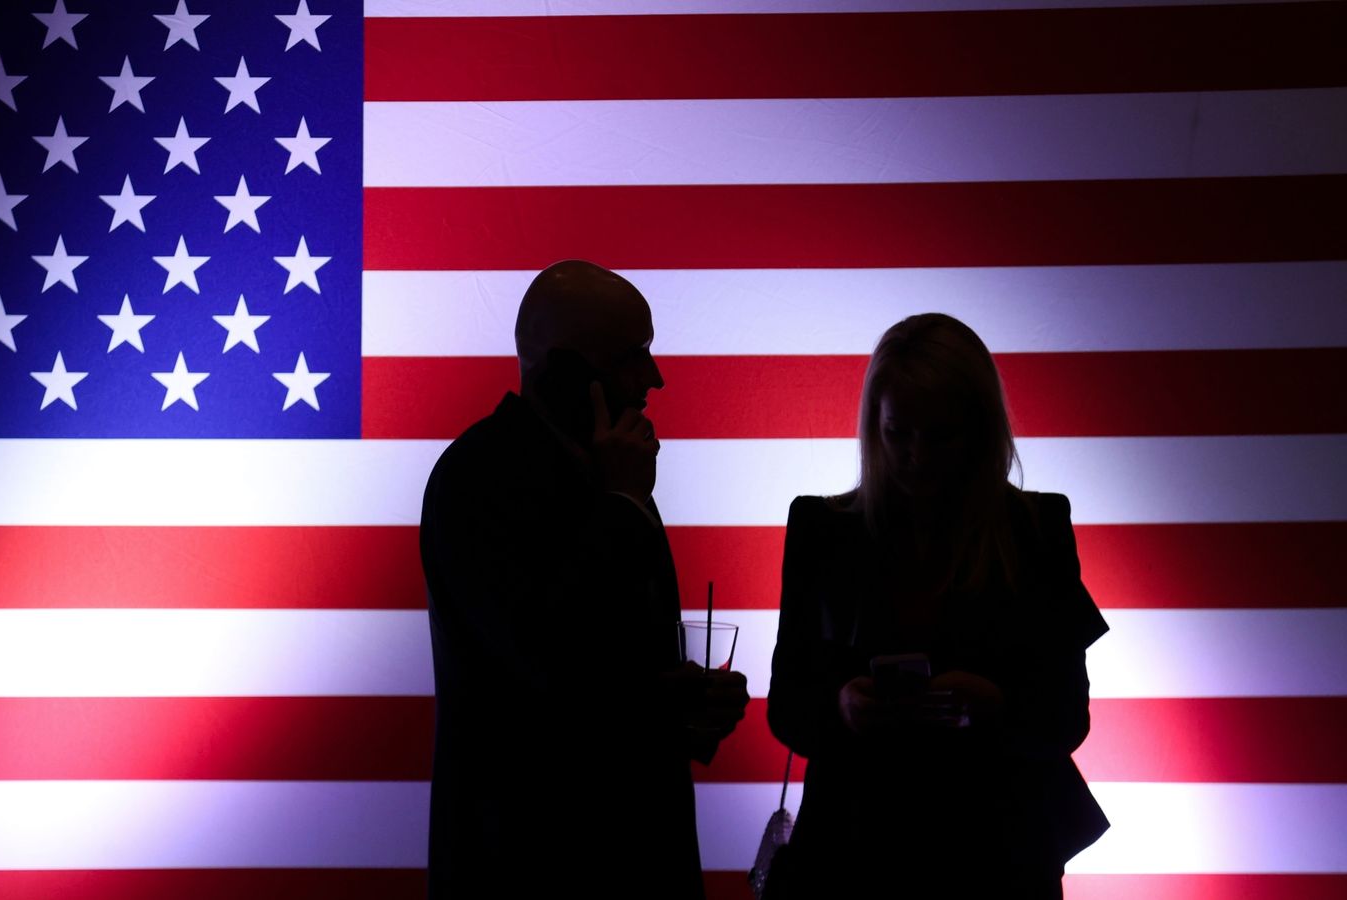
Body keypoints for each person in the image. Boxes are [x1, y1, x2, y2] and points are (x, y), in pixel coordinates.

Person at [420, 260, 750, 899]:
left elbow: (612, 673)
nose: (654, 379)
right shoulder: (477, 477)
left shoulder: (608, 472)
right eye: (633, 357)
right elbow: (547, 661)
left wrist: (683, 708)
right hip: (529, 867)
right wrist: (623, 505)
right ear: (566, 374)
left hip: (633, 855)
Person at [764, 313, 1109, 898]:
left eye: (940, 434)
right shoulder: (822, 529)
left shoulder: (1037, 530)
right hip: (857, 848)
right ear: (874, 425)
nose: (917, 456)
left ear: (980, 430)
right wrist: (842, 707)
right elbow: (787, 707)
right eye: (899, 433)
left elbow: (1066, 716)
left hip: (992, 850)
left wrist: (997, 704)